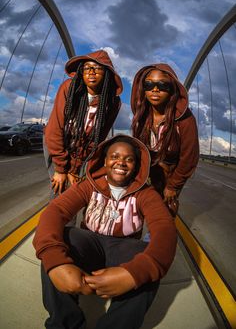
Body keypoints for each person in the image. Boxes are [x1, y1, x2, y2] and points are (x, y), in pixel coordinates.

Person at [33, 135, 177, 329]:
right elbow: (55, 212)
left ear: (137, 166)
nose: (121, 162)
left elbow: (165, 229)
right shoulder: (89, 185)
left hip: (124, 248)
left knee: (147, 264)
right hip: (90, 241)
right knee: (63, 239)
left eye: (129, 159)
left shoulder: (146, 193)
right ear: (104, 161)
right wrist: (54, 261)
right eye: (114, 156)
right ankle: (64, 323)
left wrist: (135, 273)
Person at [44, 49, 123, 195]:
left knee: (74, 191)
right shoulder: (69, 88)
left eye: (97, 68)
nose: (91, 72)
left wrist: (74, 169)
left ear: (107, 73)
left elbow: (96, 139)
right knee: (60, 192)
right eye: (87, 67)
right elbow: (55, 129)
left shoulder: (112, 102)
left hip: (83, 149)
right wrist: (61, 169)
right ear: (81, 71)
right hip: (57, 143)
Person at [131, 63, 199, 216]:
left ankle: (160, 239)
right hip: (147, 172)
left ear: (172, 89)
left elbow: (189, 157)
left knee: (165, 215)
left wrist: (173, 186)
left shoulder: (184, 119)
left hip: (170, 175)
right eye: (148, 84)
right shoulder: (141, 116)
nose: (155, 89)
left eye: (162, 85)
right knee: (139, 211)